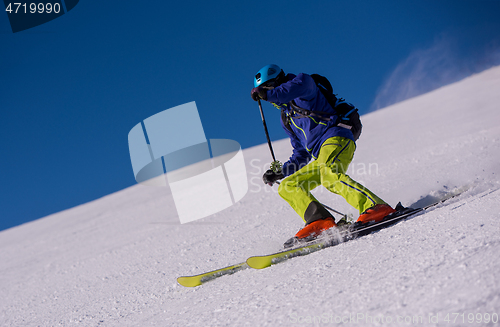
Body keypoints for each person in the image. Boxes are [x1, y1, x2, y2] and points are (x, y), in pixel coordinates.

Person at [251, 64, 396, 247]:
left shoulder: (303, 83)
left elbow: (294, 88)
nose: (270, 92)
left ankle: (376, 207)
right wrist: (281, 172)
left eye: (271, 86)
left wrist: (268, 94)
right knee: (288, 186)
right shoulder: (286, 118)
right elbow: (301, 153)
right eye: (265, 89)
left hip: (337, 137)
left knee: (329, 173)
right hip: (320, 155)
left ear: (280, 80)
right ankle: (319, 222)